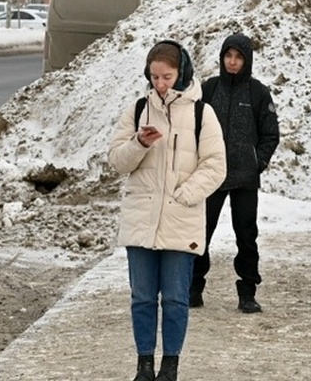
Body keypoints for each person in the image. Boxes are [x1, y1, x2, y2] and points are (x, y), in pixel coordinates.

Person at [108, 40, 227, 381]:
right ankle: (144, 366)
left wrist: (185, 194)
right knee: (142, 298)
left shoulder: (203, 114)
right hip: (141, 218)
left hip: (181, 218)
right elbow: (116, 160)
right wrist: (139, 143)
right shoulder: (136, 110)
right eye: (154, 77)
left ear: (182, 72)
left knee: (175, 298)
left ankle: (169, 368)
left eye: (167, 76)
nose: (160, 84)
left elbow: (216, 166)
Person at [191, 33, 280, 313]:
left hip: (244, 178)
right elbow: (193, 128)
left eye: (238, 57)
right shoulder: (209, 89)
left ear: (246, 60)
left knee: (246, 235)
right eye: (228, 56)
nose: (232, 62)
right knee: (201, 232)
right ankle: (193, 287)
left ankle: (247, 291)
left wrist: (258, 162)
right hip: (211, 175)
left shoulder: (258, 93)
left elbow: (270, 134)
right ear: (222, 58)